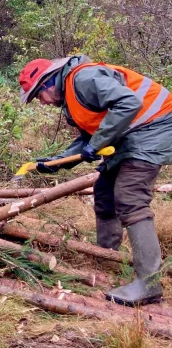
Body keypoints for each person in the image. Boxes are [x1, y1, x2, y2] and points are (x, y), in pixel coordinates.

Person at [19, 55, 172, 306]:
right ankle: (107, 258)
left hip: (155, 127)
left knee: (130, 196)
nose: (42, 103)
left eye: (39, 96)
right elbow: (88, 139)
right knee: (105, 192)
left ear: (49, 83)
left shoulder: (83, 78)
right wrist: (59, 161)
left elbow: (128, 103)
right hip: (132, 134)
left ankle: (149, 283)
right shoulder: (71, 96)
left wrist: (97, 144)